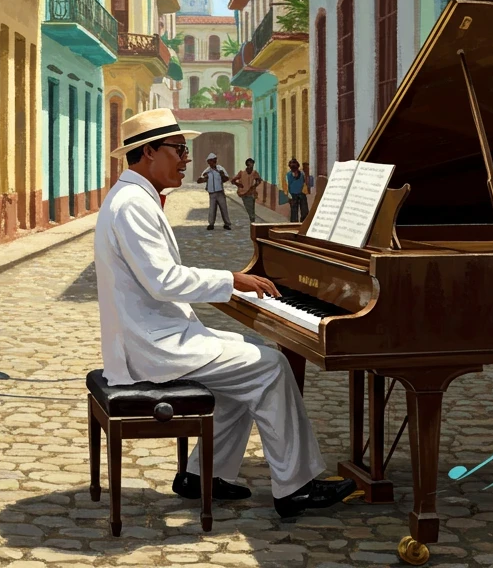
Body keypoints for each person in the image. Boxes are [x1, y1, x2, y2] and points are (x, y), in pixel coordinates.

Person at [95, 108, 356, 517]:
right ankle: (296, 487)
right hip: (150, 346)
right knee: (269, 365)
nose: (187, 159)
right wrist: (232, 280)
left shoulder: (134, 197)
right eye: (179, 149)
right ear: (148, 152)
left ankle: (201, 476)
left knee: (246, 362)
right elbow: (163, 281)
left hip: (153, 335)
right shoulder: (133, 205)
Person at [197, 152, 232, 231]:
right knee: (212, 209)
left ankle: (227, 224)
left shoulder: (220, 169)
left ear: (215, 161)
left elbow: (226, 179)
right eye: (209, 162)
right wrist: (204, 178)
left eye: (212, 161)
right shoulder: (207, 171)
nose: (211, 163)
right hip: (211, 193)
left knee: (223, 208)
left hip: (220, 192)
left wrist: (222, 175)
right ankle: (211, 224)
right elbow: (199, 180)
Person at [231, 158, 262, 223]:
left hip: (251, 193)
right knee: (249, 208)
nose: (252, 166)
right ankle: (252, 221)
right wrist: (238, 184)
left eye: (252, 164)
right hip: (243, 193)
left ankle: (252, 222)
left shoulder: (254, 173)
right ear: (247, 165)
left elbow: (258, 181)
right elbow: (233, 180)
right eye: (250, 164)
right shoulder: (242, 173)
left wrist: (254, 186)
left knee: (251, 208)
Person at [286, 158, 308, 223]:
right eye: (292, 168)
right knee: (294, 212)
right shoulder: (288, 175)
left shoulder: (302, 174)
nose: (294, 171)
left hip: (301, 193)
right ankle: (294, 224)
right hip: (292, 195)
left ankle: (303, 223)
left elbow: (305, 182)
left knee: (304, 210)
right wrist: (289, 196)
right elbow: (287, 186)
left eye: (295, 168)